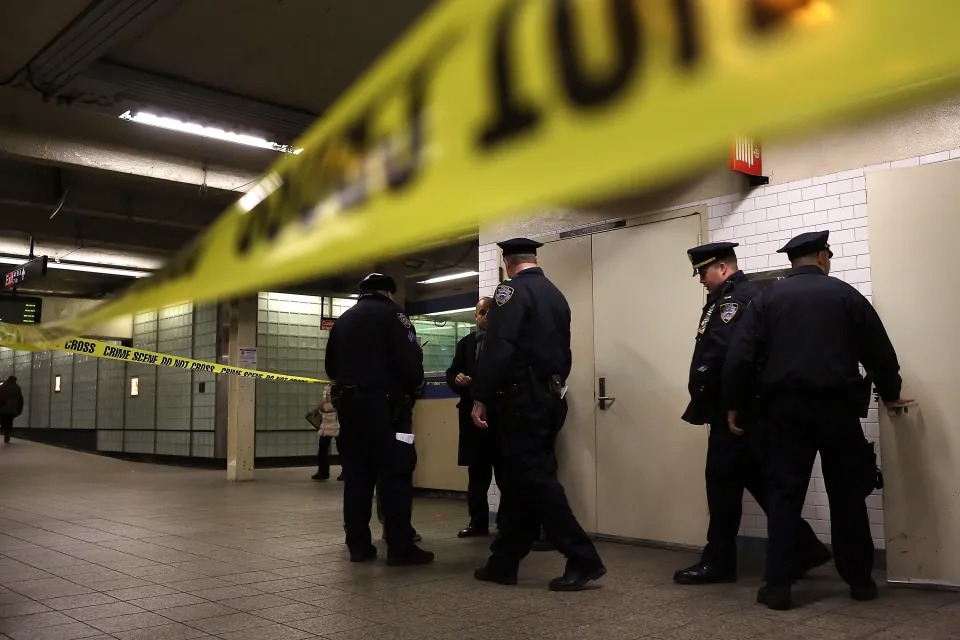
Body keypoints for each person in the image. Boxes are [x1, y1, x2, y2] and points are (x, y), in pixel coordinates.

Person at [723, 231, 912, 611]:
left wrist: (735, 404)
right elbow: (879, 352)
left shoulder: (766, 299)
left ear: (794, 262)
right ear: (822, 257)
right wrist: (890, 393)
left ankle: (778, 587)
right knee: (848, 495)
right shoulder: (845, 296)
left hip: (783, 413)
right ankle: (860, 582)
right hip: (838, 410)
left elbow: (740, 356)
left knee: (784, 497)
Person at [674, 242, 830, 586]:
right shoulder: (734, 297)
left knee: (721, 486)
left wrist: (733, 406)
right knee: (756, 480)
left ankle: (719, 562)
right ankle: (805, 547)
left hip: (734, 411)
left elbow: (734, 358)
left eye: (703, 271)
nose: (700, 279)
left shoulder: (734, 302)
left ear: (723, 268)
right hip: (740, 408)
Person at [471, 237, 605, 591]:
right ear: (536, 258)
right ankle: (504, 560)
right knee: (521, 480)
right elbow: (563, 350)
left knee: (536, 480)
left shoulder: (509, 292)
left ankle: (582, 556)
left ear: (506, 261)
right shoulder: (554, 294)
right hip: (548, 397)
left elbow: (500, 347)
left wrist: (481, 395)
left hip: (520, 401)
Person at [325, 273, 433, 566]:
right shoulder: (395, 315)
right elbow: (410, 364)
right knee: (396, 474)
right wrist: (414, 387)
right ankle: (400, 547)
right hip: (388, 410)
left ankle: (358, 546)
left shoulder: (343, 320)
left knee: (358, 476)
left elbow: (330, 366)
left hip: (350, 409)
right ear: (389, 292)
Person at [446, 296, 502, 538]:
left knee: (504, 471)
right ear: (475, 316)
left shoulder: (504, 341)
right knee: (477, 473)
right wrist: (458, 379)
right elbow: (452, 372)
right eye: (481, 312)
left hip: (499, 415)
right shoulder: (466, 343)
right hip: (471, 417)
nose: (485, 316)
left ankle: (507, 523)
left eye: (490, 312)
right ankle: (477, 522)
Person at [307, 384, 342, 481]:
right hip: (326, 421)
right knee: (323, 447)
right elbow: (325, 401)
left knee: (342, 447)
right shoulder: (327, 387)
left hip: (337, 420)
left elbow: (340, 403)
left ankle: (346, 471)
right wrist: (320, 408)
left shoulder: (341, 386)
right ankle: (322, 471)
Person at [0, 375, 24, 444]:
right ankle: (8, 433)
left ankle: (5, 431)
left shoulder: (3, 386)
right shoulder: (17, 388)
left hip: (3, 408)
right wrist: (20, 410)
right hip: (13, 410)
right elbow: (21, 400)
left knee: (4, 420)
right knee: (10, 421)